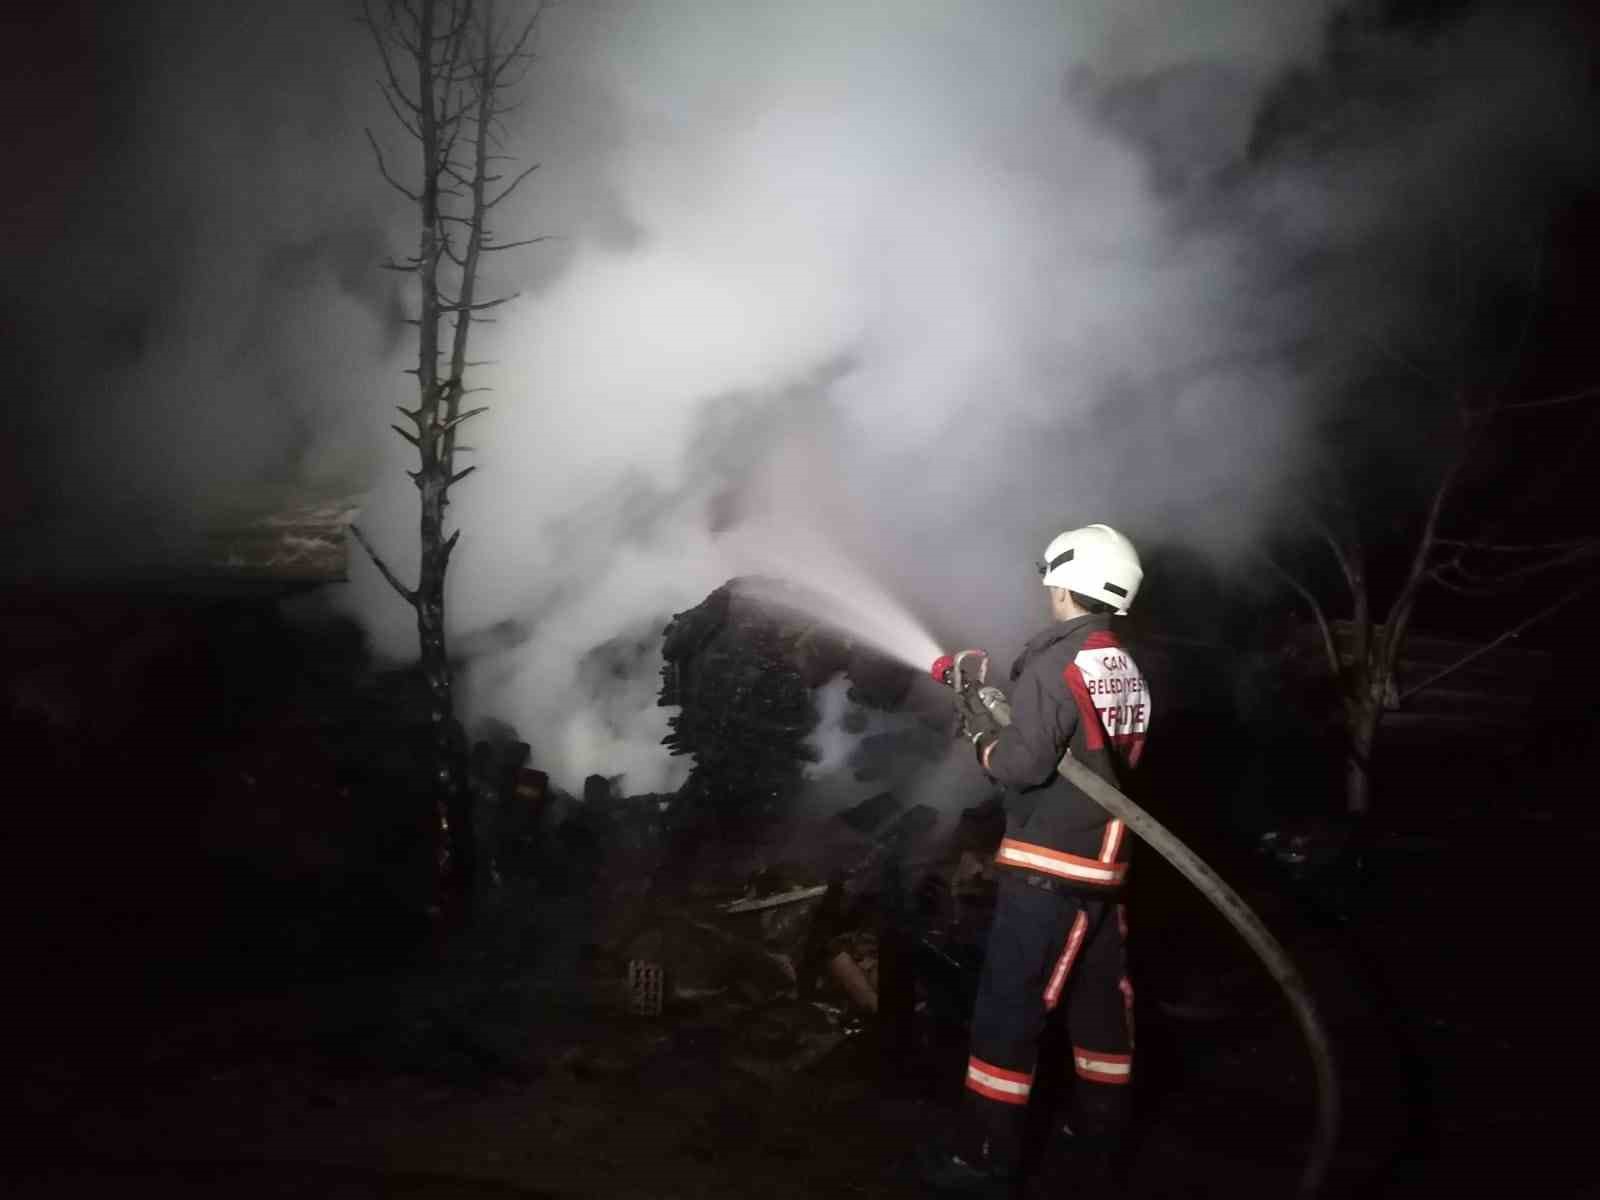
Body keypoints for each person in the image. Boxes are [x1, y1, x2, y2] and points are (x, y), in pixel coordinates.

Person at [921, 523, 1150, 1197]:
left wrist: (985, 743)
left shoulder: (1055, 663)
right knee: (1100, 1009)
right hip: (1104, 867)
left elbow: (1022, 766)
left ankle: (982, 1160)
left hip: (1052, 865)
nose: (1046, 586)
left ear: (1065, 583)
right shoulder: (1120, 661)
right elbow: (1093, 751)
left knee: (1008, 1010)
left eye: (1051, 576)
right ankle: (1101, 1139)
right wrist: (996, 710)